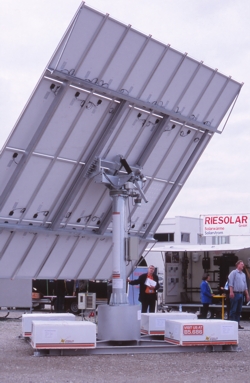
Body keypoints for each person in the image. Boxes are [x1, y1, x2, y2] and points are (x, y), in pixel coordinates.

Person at [228, 260, 250, 329]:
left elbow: (245, 285)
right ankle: (232, 324)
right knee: (233, 310)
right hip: (235, 293)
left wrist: (247, 294)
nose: (243, 265)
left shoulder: (243, 274)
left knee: (239, 310)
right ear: (238, 265)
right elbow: (230, 283)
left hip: (241, 294)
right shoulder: (233, 273)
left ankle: (237, 324)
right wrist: (231, 292)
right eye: (241, 264)